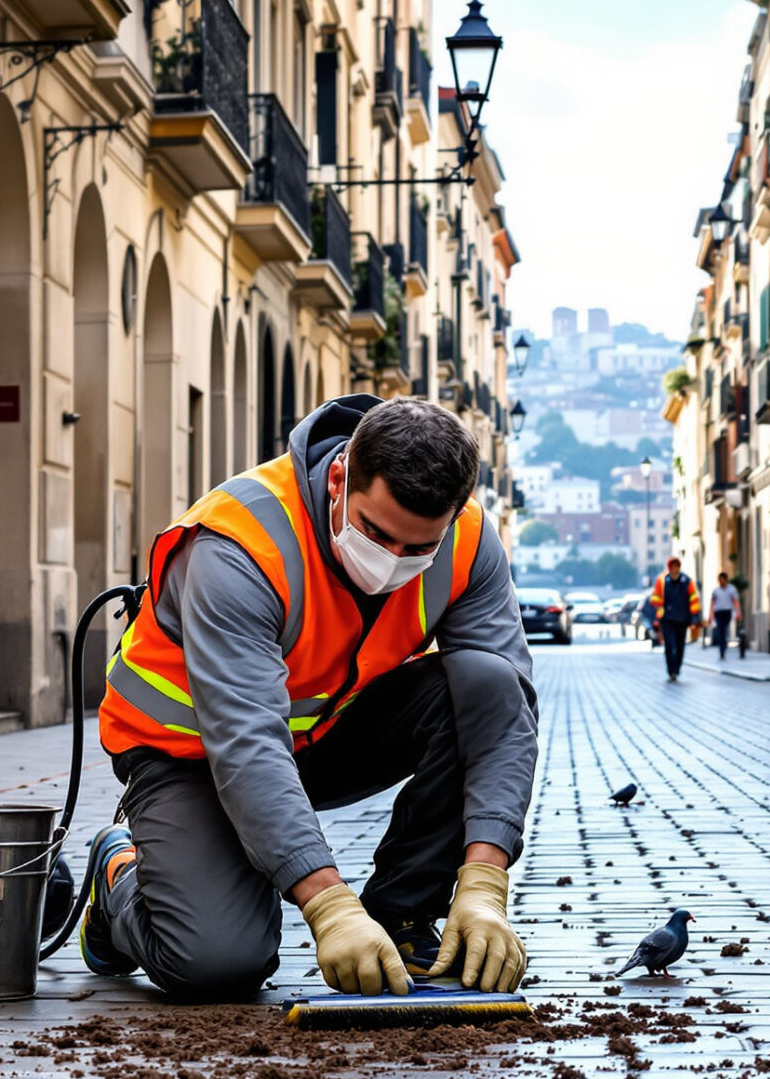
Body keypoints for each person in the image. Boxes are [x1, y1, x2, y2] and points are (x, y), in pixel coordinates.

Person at [90, 395, 537, 1001]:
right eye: (377, 533)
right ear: (337, 478)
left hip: (323, 737)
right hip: (188, 756)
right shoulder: (238, 544)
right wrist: (329, 906)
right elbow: (247, 742)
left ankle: (401, 918)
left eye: (418, 548)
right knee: (218, 965)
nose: (393, 563)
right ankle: (119, 870)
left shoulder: (468, 538)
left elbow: (505, 716)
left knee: (488, 680)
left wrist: (485, 882)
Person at [647, 557, 701, 682]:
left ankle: (677, 669)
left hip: (682, 619)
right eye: (672, 567)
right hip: (667, 619)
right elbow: (654, 598)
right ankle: (670, 670)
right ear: (669, 568)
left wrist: (694, 618)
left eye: (676, 566)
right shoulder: (662, 581)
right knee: (670, 645)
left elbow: (694, 600)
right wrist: (661, 604)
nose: (674, 569)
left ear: (679, 567)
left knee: (680, 645)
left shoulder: (687, 581)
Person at [710, 572, 741, 659]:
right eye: (720, 580)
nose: (722, 581)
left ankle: (723, 648)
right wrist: (711, 615)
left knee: (724, 630)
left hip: (727, 612)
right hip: (718, 612)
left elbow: (735, 601)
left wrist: (738, 612)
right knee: (721, 631)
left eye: (724, 580)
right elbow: (712, 603)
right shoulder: (716, 591)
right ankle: (722, 650)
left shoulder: (732, 589)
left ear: (727, 580)